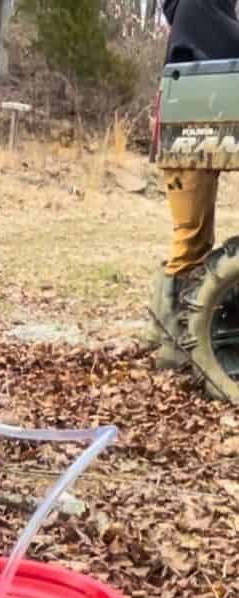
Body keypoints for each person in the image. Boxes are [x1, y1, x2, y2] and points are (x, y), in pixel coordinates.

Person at [151, 0, 239, 368]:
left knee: (193, 238)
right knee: (191, 237)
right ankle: (172, 345)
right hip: (185, 135)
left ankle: (172, 333)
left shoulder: (214, 10)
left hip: (202, 129)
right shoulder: (196, 8)